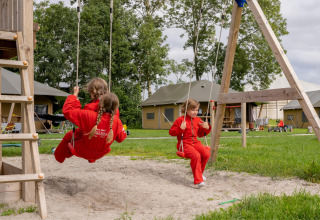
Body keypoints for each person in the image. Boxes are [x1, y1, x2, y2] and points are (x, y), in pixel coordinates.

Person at [54, 87, 127, 163]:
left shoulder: (89, 115)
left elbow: (68, 111)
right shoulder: (117, 121)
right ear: (116, 108)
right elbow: (120, 139)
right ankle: (91, 158)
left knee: (69, 136)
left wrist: (74, 95)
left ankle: (59, 157)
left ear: (101, 103)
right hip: (100, 154)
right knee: (84, 136)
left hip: (81, 151)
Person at [169, 99, 211, 188]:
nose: (195, 112)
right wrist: (181, 129)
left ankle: (199, 174)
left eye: (197, 110)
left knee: (206, 154)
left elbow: (200, 135)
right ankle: (199, 180)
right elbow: (171, 132)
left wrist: (206, 128)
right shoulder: (180, 120)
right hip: (184, 144)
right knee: (196, 155)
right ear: (186, 110)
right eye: (193, 110)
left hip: (195, 142)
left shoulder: (198, 120)